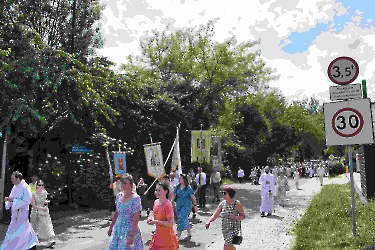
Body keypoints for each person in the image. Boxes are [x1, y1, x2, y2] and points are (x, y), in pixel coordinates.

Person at [1, 171, 39, 250]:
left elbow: (27, 201)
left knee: (18, 231)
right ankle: (30, 245)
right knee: (21, 230)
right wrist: (8, 200)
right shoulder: (15, 186)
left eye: (13, 178)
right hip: (15, 214)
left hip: (22, 214)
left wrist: (13, 200)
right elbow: (12, 198)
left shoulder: (25, 187)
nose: (11, 180)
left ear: (18, 178)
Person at [108, 173, 143, 250]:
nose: (123, 185)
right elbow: (117, 213)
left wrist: (132, 235)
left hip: (129, 230)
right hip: (118, 228)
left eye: (125, 183)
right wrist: (111, 227)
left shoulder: (136, 198)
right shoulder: (118, 196)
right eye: (122, 183)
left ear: (131, 185)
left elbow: (136, 219)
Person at [205, 186, 246, 250]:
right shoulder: (222, 203)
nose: (223, 195)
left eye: (225, 193)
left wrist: (235, 217)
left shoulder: (237, 203)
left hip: (233, 229)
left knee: (227, 244)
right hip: (225, 228)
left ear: (230, 194)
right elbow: (215, 215)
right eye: (222, 193)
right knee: (228, 244)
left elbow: (243, 216)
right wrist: (209, 221)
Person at [148, 182, 179, 250]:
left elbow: (170, 223)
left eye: (159, 190)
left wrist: (156, 221)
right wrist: (151, 219)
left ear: (166, 192)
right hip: (157, 235)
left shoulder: (168, 205)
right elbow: (156, 216)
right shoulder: (156, 202)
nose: (157, 192)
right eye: (156, 190)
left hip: (166, 237)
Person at [30, 180, 56, 248]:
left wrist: (46, 202)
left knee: (46, 225)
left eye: (42, 185)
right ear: (37, 186)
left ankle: (49, 241)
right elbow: (33, 205)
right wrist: (41, 208)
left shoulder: (44, 192)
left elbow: (46, 200)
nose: (41, 186)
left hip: (43, 211)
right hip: (35, 211)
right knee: (35, 228)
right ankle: (32, 243)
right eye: (39, 185)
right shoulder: (33, 193)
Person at [173, 173, 199, 240]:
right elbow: (174, 195)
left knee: (181, 217)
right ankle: (189, 232)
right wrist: (169, 202)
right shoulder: (177, 186)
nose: (179, 179)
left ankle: (178, 234)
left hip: (187, 205)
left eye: (181, 178)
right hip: (179, 205)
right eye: (179, 178)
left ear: (184, 179)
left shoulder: (188, 187)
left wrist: (195, 205)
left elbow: (193, 197)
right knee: (183, 218)